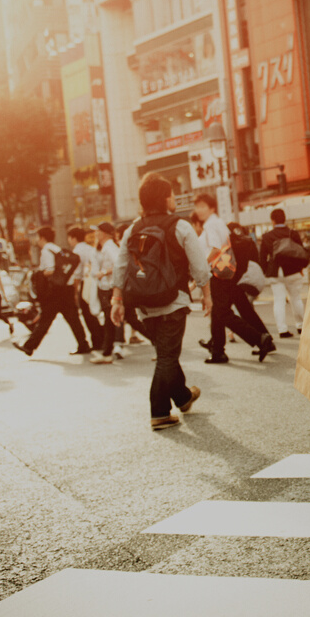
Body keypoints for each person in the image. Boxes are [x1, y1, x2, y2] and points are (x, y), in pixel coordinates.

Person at [111, 173, 210, 429]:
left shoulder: (133, 228)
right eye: (173, 195)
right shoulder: (180, 226)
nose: (175, 199)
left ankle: (183, 397)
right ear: (165, 199)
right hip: (173, 300)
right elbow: (200, 266)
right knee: (167, 356)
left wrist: (116, 300)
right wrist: (207, 294)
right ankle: (159, 412)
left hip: (144, 304)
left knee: (165, 352)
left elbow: (120, 267)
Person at [195, 195, 274, 363]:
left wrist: (202, 266)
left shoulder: (210, 224)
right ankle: (217, 351)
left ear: (211, 208)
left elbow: (216, 249)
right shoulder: (218, 223)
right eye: (197, 206)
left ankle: (259, 338)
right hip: (228, 273)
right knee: (220, 312)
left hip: (220, 274)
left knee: (222, 313)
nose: (199, 210)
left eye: (202, 206)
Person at [14, 226, 91, 358]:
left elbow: (50, 270)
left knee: (46, 319)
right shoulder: (57, 248)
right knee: (72, 318)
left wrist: (38, 273)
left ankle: (29, 346)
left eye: (37, 237)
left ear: (42, 237)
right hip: (66, 288)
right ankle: (83, 344)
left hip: (55, 291)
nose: (36, 240)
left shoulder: (46, 250)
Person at [260, 208, 309, 339]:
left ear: (273, 221)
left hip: (276, 272)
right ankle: (301, 325)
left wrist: (266, 272)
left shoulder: (266, 236)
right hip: (292, 270)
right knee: (296, 298)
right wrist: (301, 267)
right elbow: (301, 252)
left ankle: (282, 330)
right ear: (284, 219)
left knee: (279, 300)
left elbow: (262, 257)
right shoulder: (292, 233)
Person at [91, 223, 122, 364]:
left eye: (97, 231)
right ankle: (107, 353)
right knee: (110, 322)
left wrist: (103, 272)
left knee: (130, 320)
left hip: (111, 289)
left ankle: (157, 343)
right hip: (108, 288)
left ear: (104, 233)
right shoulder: (105, 247)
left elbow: (118, 264)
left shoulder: (109, 246)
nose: (96, 233)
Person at [69, 226, 103, 352]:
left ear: (73, 238)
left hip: (85, 283)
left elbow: (77, 273)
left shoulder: (77, 251)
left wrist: (75, 291)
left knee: (87, 313)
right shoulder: (90, 248)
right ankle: (100, 338)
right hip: (95, 281)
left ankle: (98, 340)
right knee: (93, 311)